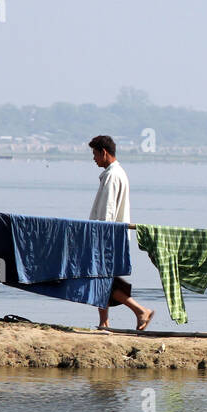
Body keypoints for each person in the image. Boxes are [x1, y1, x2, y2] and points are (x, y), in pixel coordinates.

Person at [88, 134, 155, 331]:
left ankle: (139, 311)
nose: (94, 158)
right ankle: (105, 322)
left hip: (107, 236)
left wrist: (98, 238)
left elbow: (108, 212)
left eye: (95, 154)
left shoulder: (112, 175)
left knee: (102, 278)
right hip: (111, 236)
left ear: (104, 152)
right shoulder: (115, 173)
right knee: (101, 278)